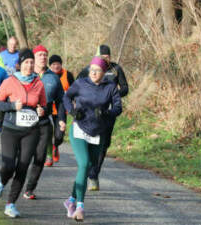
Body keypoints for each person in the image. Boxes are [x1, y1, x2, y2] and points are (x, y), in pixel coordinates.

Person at [62, 56, 122, 221]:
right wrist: (72, 111)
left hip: (98, 132)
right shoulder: (81, 83)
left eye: (98, 70)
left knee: (88, 167)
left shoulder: (110, 87)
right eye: (92, 70)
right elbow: (66, 97)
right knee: (83, 163)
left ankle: (71, 200)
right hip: (79, 129)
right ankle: (80, 206)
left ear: (104, 72)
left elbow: (118, 107)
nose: (94, 73)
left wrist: (106, 113)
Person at [0, 48, 47, 218]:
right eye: (26, 62)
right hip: (11, 129)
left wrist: (42, 110)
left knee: (22, 167)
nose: (29, 65)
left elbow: (44, 105)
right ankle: (2, 181)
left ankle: (11, 204)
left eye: (31, 62)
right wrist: (12, 106)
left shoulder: (39, 83)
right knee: (8, 165)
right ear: (20, 64)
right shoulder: (10, 81)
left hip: (31, 131)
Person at [77, 44, 129, 191]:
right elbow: (77, 86)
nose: (105, 59)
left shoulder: (115, 69)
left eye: (107, 57)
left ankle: (93, 175)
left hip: (108, 113)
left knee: (104, 144)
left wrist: (113, 96)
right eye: (102, 57)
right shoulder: (88, 70)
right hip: (89, 113)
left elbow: (125, 87)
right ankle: (86, 165)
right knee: (90, 141)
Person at [23, 45, 66, 200]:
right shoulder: (25, 74)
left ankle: (29, 189)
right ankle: (17, 181)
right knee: (24, 156)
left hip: (43, 121)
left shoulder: (53, 77)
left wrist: (61, 119)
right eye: (40, 54)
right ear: (34, 57)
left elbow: (61, 101)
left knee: (40, 157)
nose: (43, 57)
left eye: (45, 55)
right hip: (24, 121)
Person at [49, 54, 75, 163]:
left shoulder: (67, 75)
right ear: (50, 66)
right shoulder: (46, 76)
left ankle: (55, 146)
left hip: (62, 109)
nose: (56, 66)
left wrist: (74, 104)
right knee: (47, 134)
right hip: (48, 110)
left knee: (59, 135)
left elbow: (75, 91)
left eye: (58, 64)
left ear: (61, 64)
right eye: (53, 64)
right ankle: (49, 155)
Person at [0, 37, 20, 135]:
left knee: (12, 104)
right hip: (3, 83)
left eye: (14, 44)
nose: (12, 46)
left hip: (15, 84)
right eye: (11, 44)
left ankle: (10, 125)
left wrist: (18, 69)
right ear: (7, 44)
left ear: (16, 44)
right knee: (2, 104)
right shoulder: (1, 55)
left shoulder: (19, 55)